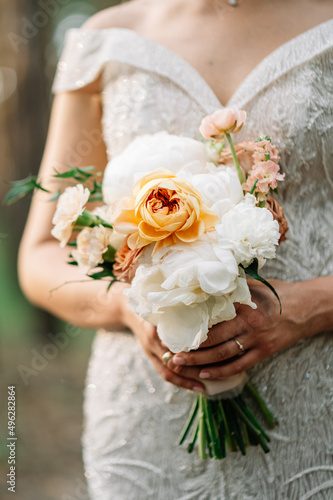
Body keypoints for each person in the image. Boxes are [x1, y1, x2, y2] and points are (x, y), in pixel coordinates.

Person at [18, 0, 333, 498]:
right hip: (145, 418)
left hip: (316, 399)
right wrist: (130, 306)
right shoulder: (104, 40)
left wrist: (305, 309)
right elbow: (38, 257)